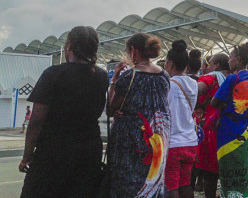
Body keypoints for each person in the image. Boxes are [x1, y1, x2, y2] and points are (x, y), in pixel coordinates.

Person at [19, 26, 108, 198]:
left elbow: (36, 121)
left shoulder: (53, 74)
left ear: (69, 46)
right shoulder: (101, 76)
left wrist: (27, 156)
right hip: (88, 152)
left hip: (53, 152)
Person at [108, 33, 171, 198]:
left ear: (134, 51)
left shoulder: (129, 76)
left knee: (128, 183)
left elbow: (110, 108)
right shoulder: (164, 76)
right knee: (151, 181)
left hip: (129, 142)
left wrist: (114, 78)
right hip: (157, 139)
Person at [211, 41, 248, 198]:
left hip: (228, 130)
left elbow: (214, 102)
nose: (228, 61)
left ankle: (230, 194)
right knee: (242, 164)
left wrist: (224, 103)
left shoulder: (232, 78)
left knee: (228, 165)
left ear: (238, 59)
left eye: (230, 57)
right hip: (244, 128)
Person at [163, 40, 199, 198]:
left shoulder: (167, 84)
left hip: (173, 143)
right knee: (185, 183)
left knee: (172, 186)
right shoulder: (193, 83)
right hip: (190, 142)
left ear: (170, 63)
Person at [193, 53, 230, 198]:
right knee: (225, 167)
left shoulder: (211, 78)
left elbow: (193, 91)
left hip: (210, 128)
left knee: (209, 172)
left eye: (208, 64)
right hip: (228, 128)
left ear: (217, 66)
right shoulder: (231, 78)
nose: (205, 67)